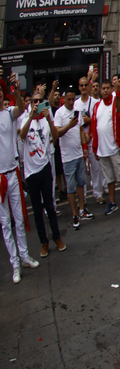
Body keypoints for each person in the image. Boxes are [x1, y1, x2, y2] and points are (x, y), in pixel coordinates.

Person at [0, 70, 36, 283]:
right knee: (5, 223)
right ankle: (14, 263)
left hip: (13, 173)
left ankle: (24, 256)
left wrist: (18, 87)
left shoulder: (9, 112)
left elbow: (22, 108)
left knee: (19, 218)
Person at [20, 94, 66, 257]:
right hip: (31, 172)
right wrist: (31, 117)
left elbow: (55, 137)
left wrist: (49, 120)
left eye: (40, 101)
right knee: (37, 211)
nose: (38, 104)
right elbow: (22, 135)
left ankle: (57, 237)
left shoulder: (47, 121)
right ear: (30, 104)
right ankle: (43, 243)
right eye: (34, 101)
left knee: (50, 207)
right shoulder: (26, 119)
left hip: (45, 168)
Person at [92, 80, 120, 217]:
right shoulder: (96, 106)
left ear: (111, 88)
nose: (105, 90)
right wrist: (95, 148)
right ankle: (112, 202)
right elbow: (94, 128)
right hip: (102, 149)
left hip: (115, 148)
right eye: (103, 88)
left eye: (107, 88)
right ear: (100, 90)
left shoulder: (116, 103)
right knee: (109, 179)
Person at [52, 90, 86, 231]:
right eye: (68, 100)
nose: (71, 102)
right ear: (63, 99)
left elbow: (81, 130)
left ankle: (82, 210)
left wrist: (84, 147)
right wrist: (69, 126)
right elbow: (57, 133)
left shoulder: (77, 111)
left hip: (78, 154)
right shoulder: (59, 113)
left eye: (73, 99)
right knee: (70, 188)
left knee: (81, 183)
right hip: (68, 157)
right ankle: (74, 215)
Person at [75, 76, 104, 207]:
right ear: (79, 87)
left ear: (89, 86)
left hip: (92, 138)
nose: (84, 88)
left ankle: (98, 194)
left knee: (96, 168)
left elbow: (98, 119)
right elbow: (74, 123)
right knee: (82, 170)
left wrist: (89, 121)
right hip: (81, 140)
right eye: (81, 85)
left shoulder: (95, 102)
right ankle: (83, 197)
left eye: (86, 85)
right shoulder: (76, 104)